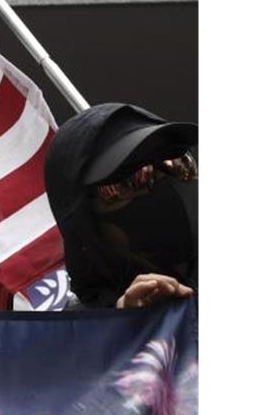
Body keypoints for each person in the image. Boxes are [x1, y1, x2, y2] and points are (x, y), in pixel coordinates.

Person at [44, 103, 198, 308]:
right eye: (126, 181)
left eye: (170, 163)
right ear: (85, 225)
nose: (152, 185)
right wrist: (126, 328)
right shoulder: (79, 333)